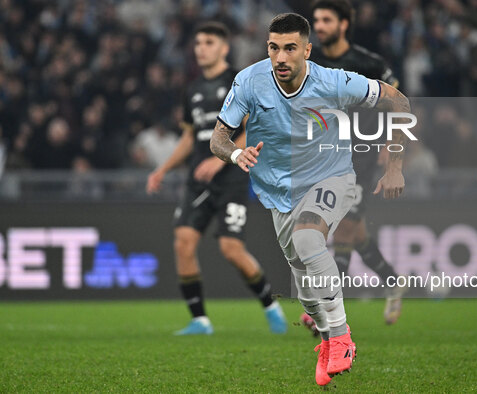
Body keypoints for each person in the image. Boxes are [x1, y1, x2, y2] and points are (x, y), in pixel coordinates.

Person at [210, 13, 410, 386]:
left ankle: (341, 337)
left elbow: (398, 101)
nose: (280, 57)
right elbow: (219, 137)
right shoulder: (249, 81)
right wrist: (236, 155)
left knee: (307, 237)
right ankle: (325, 337)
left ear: (307, 50)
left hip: (333, 176)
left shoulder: (335, 81)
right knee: (302, 281)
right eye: (273, 48)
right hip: (277, 191)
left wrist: (394, 165)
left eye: (289, 48)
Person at [146, 22, 287, 336]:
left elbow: (255, 126)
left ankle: (270, 306)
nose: (201, 48)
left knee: (231, 250)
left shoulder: (240, 81)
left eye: (209, 42)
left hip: (231, 177)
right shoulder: (193, 89)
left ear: (224, 48)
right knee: (183, 243)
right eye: (197, 43)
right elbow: (188, 137)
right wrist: (163, 169)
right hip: (199, 178)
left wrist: (219, 157)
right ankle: (200, 321)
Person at [309, 0, 405, 326]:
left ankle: (326, 307)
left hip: (360, 158)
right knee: (356, 234)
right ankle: (393, 281)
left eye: (326, 19)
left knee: (344, 229)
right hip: (320, 156)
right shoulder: (309, 61)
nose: (319, 25)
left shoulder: (369, 64)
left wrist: (392, 153)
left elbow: (399, 106)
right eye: (316, 20)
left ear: (344, 24)